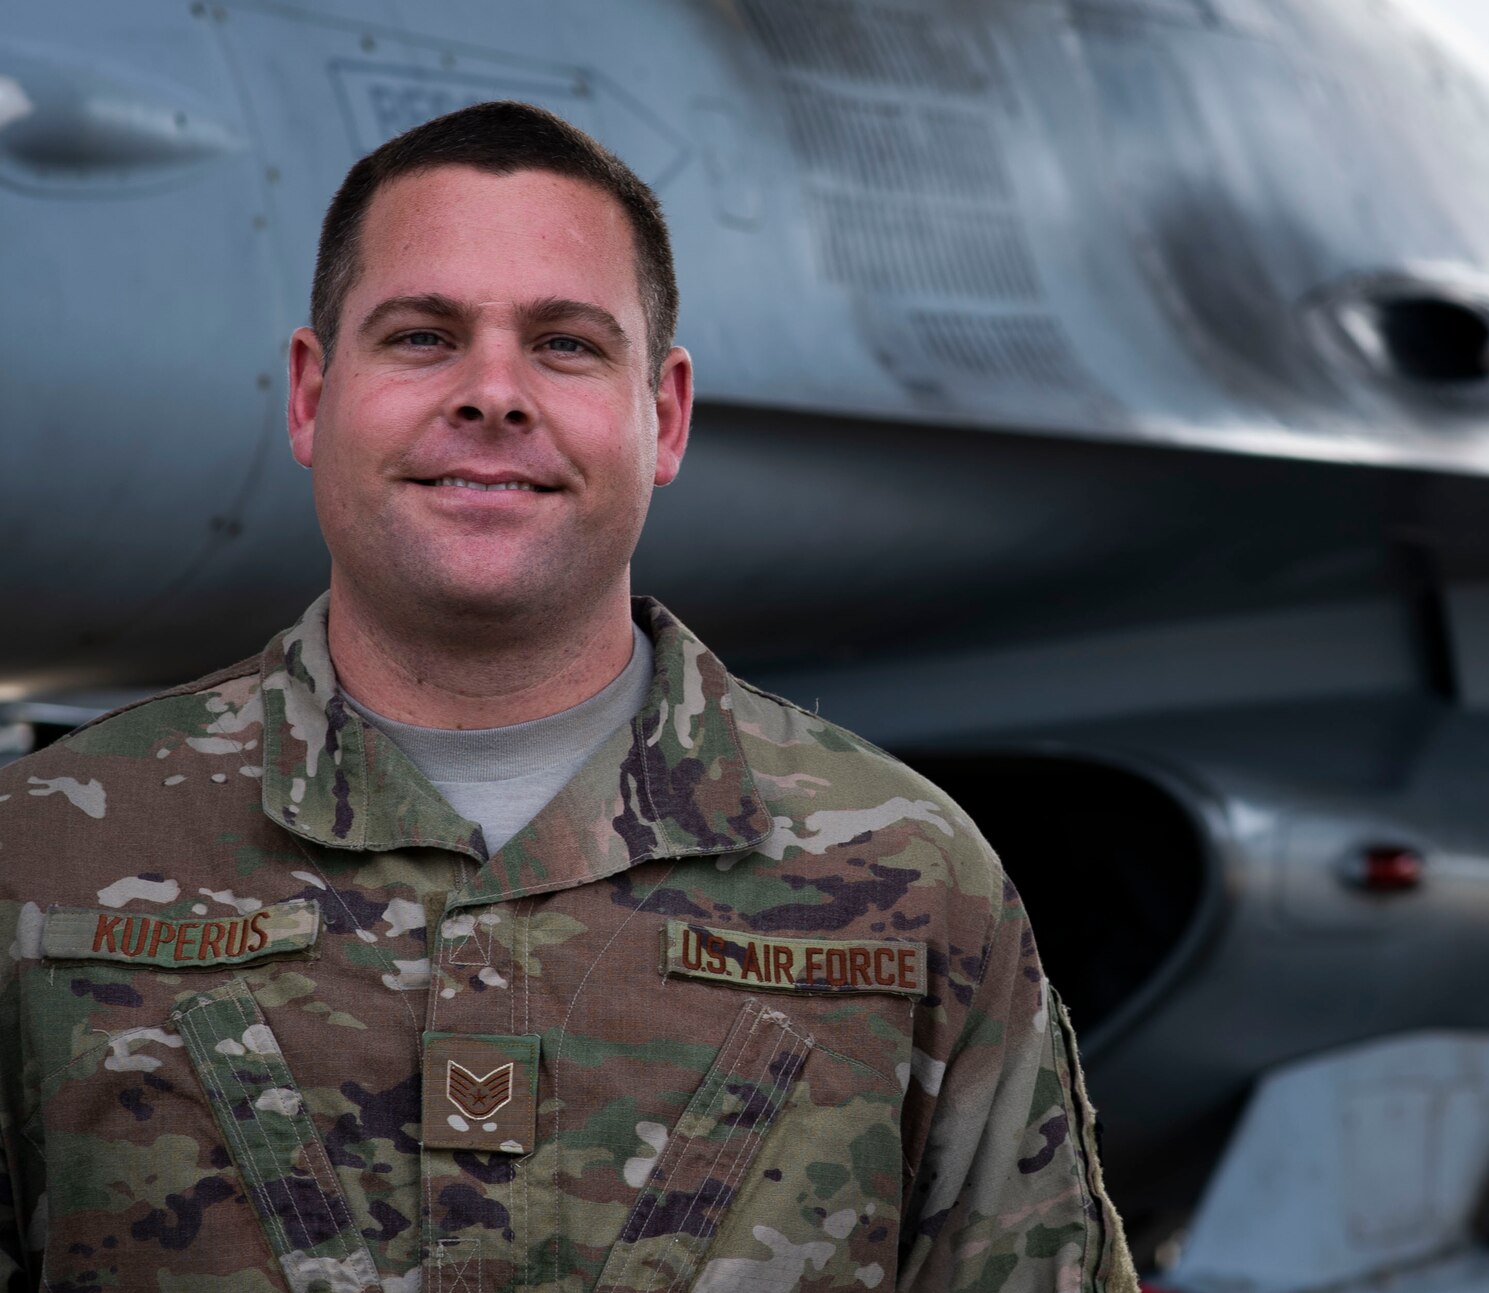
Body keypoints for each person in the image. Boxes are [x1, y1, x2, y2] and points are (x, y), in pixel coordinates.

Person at [0, 101, 1136, 1293]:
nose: (493, 394)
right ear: (307, 395)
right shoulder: (43, 855)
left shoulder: (910, 881)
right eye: (423, 337)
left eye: (566, 345)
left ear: (664, 416)